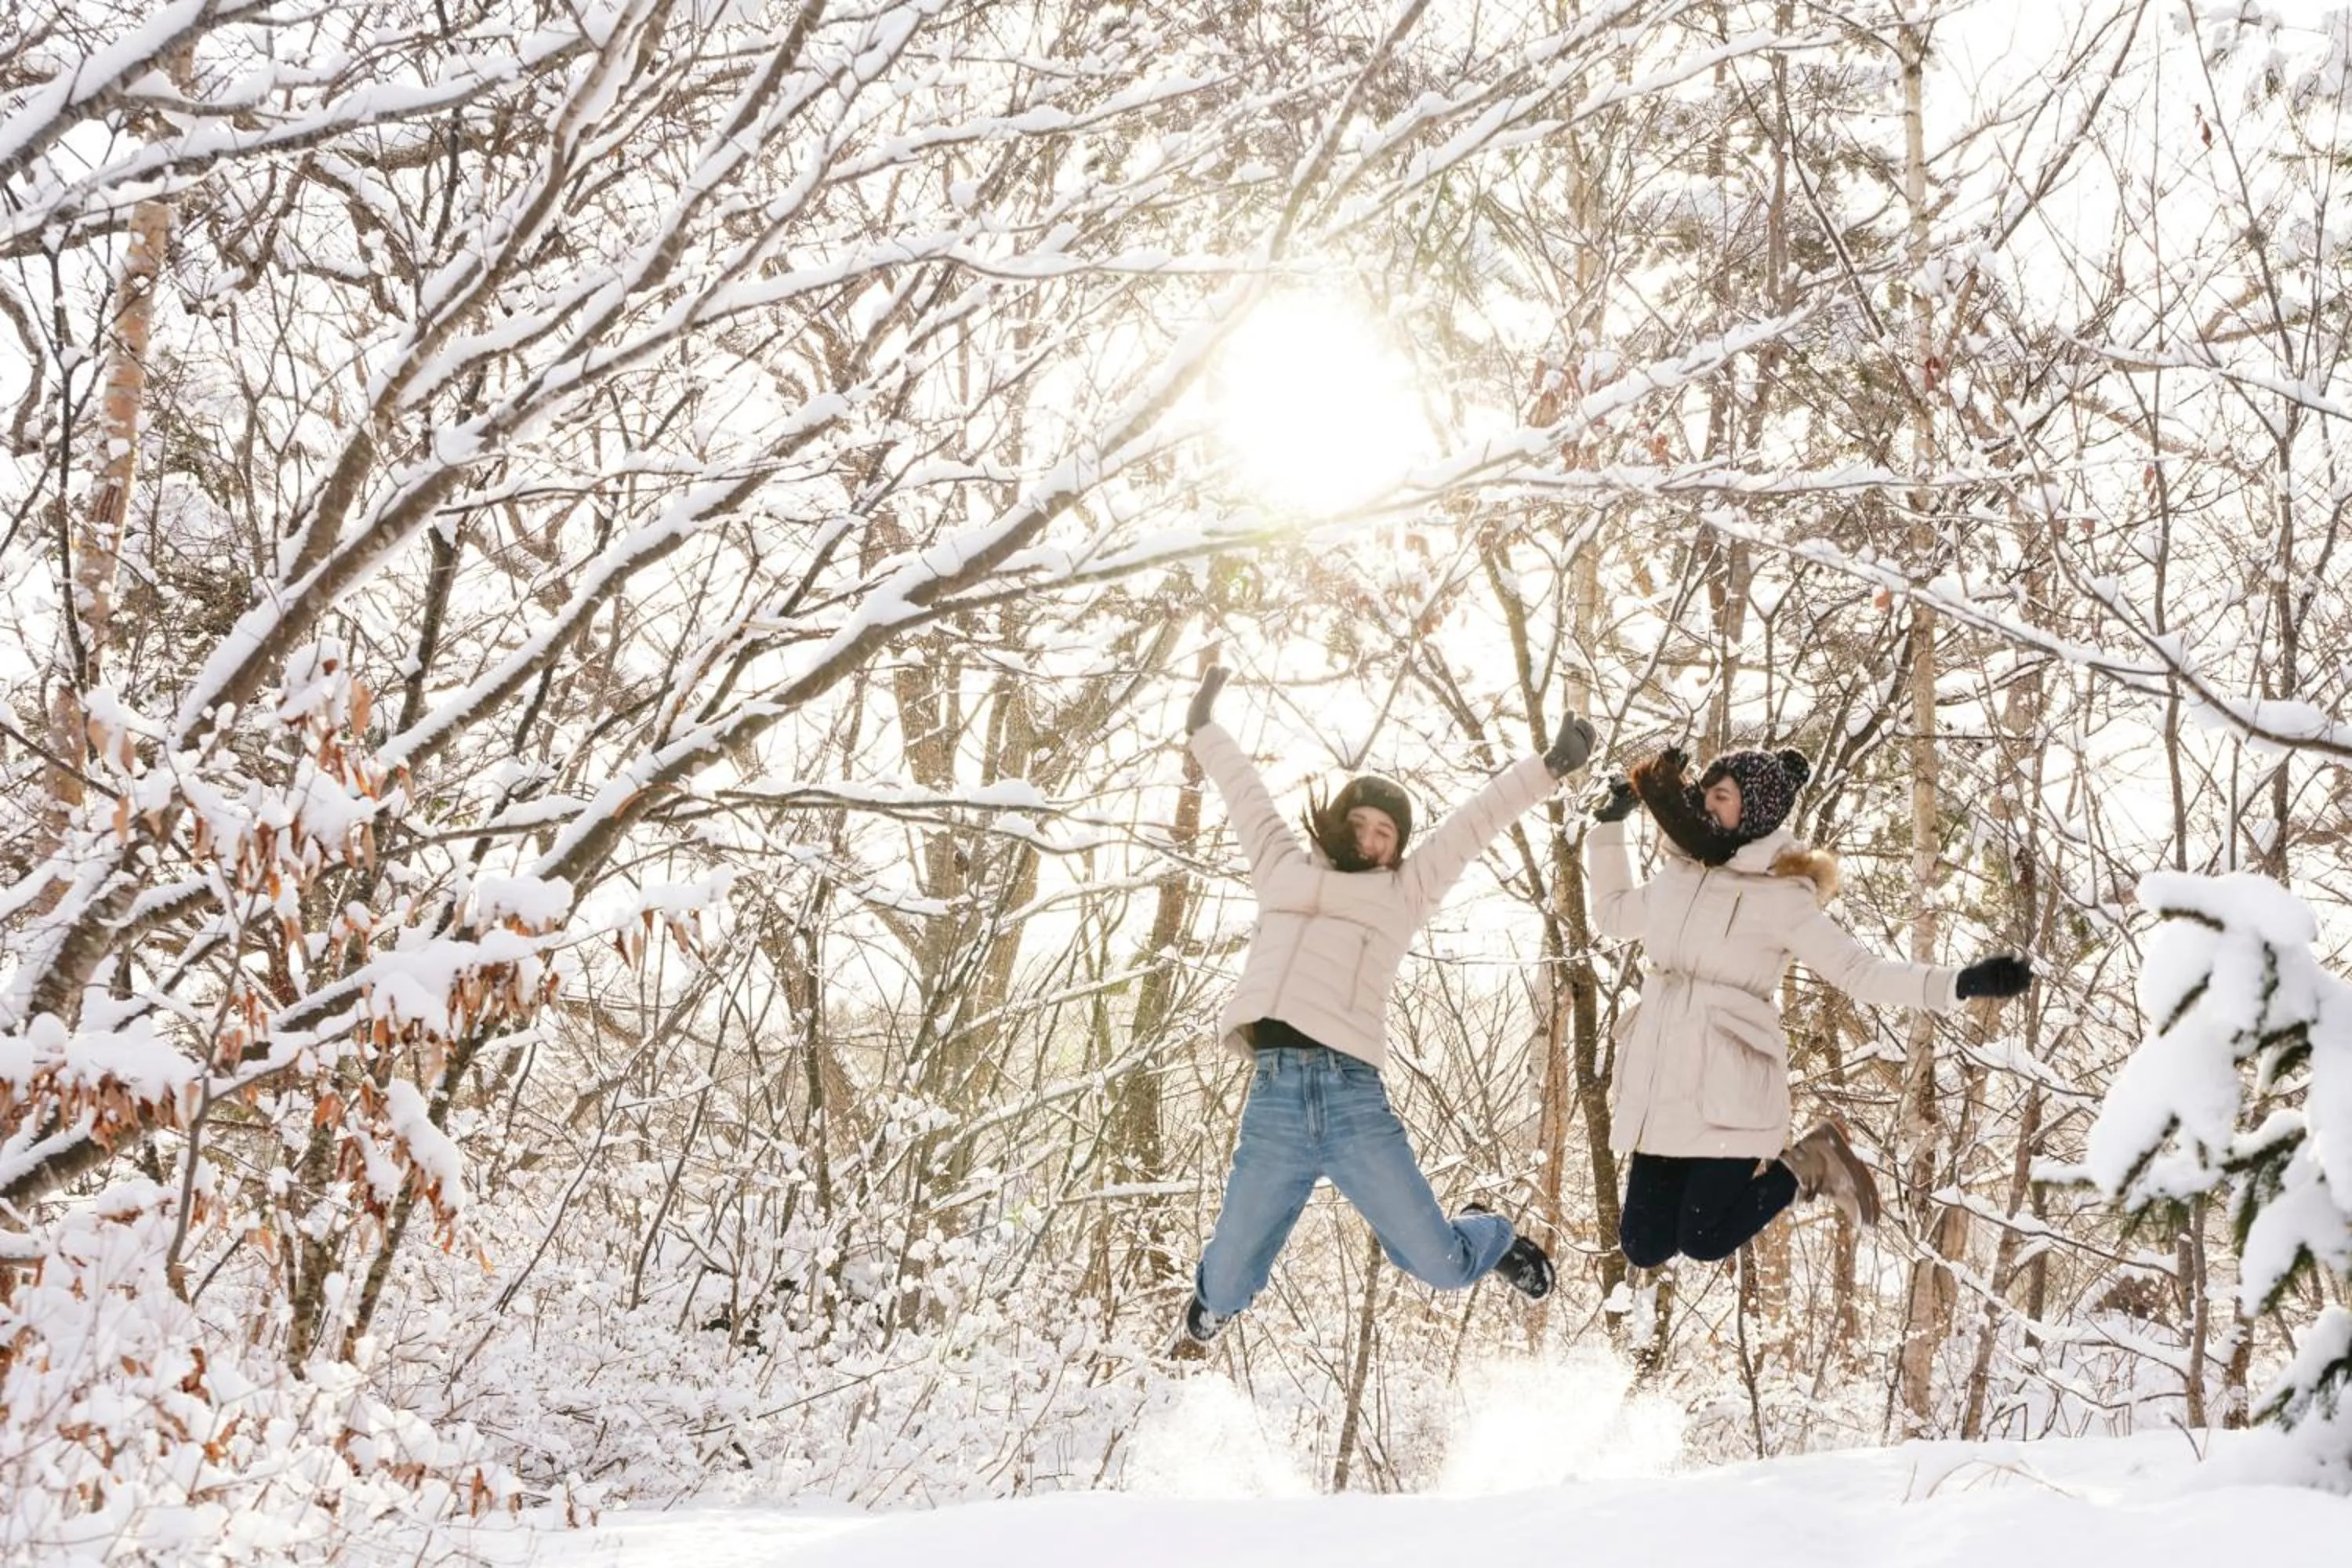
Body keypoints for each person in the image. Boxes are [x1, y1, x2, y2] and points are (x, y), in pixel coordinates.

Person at [1174, 665, 1596, 1355]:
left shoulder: (1402, 892)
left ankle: (1493, 1236)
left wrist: (1548, 767)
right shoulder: (1281, 865)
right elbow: (1245, 793)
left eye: (1385, 834)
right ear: (1338, 821)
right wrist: (1203, 730)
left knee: (1443, 1266)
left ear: (1397, 848)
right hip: (1275, 1100)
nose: (1370, 841)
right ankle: (1218, 1295)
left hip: (1351, 1103)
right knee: (1219, 1289)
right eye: (1361, 824)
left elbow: (1473, 824)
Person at [1583, 744, 2031, 1269]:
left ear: (1755, 810)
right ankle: (1802, 1165)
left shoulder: (1781, 895)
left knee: (1703, 1238)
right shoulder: (1679, 874)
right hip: (1660, 1082)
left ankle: (1813, 1161)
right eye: (1705, 791)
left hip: (1728, 1089)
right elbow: (1613, 916)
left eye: (1721, 795)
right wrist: (1608, 827)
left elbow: (1857, 972)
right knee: (1643, 1245)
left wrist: (1959, 983)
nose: (1706, 803)